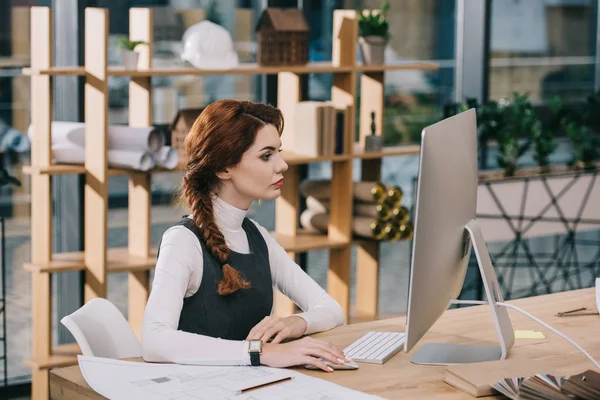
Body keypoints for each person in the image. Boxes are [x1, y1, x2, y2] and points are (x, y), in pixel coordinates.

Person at [142, 99, 348, 372]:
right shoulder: (182, 242)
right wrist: (258, 352)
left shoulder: (257, 237)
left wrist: (294, 323)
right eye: (266, 155)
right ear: (224, 168)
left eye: (279, 152)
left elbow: (332, 309)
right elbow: (153, 340)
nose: (283, 165)